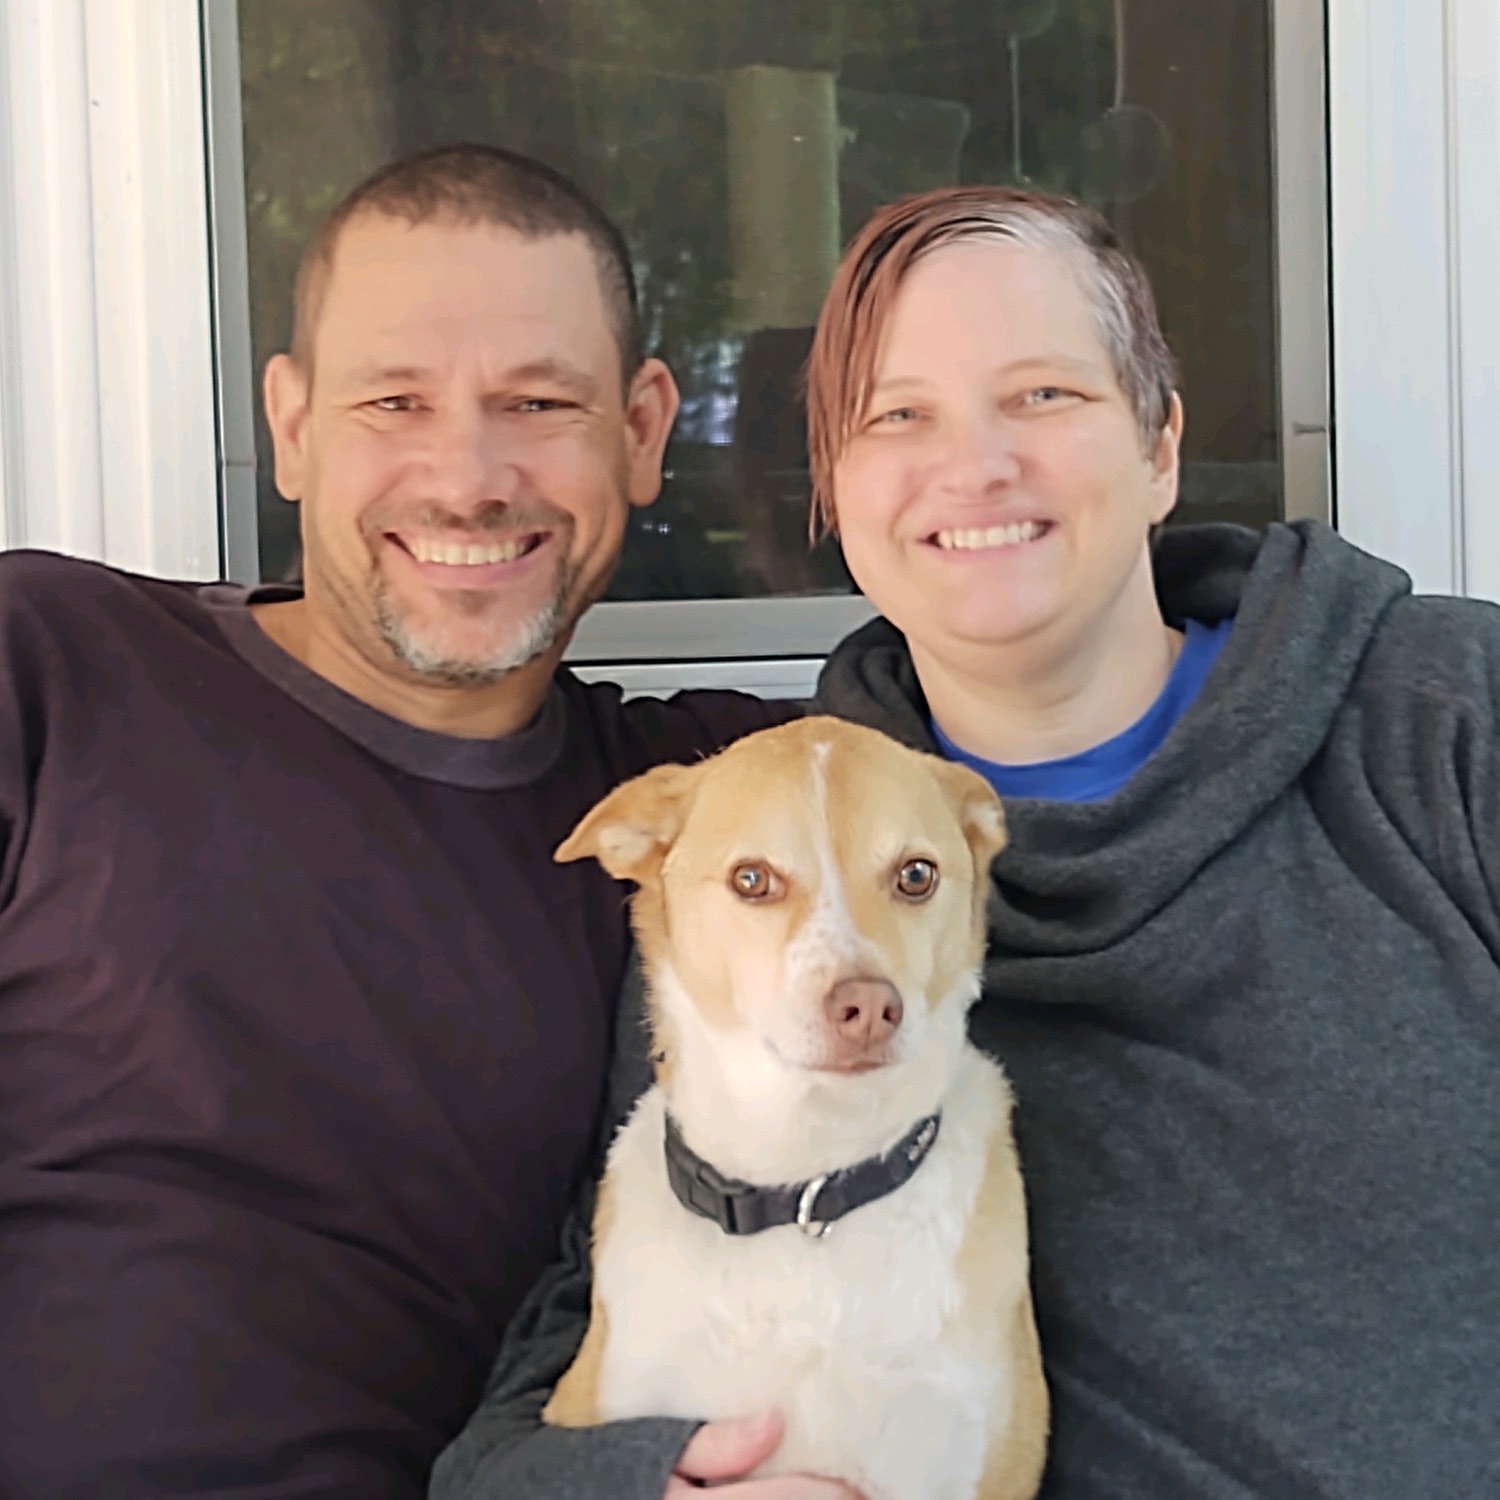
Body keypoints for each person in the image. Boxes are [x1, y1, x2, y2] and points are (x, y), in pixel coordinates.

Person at [434, 185, 1500, 1499]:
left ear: (1160, 445)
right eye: (898, 416)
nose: (976, 465)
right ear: (834, 488)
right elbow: (568, 1354)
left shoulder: (1443, 716)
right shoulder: (755, 851)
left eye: (1043, 395)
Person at [0, 142, 809, 1499]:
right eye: (394, 400)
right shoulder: (54, 670)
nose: (468, 478)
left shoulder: (706, 813)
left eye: (537, 401)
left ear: (646, 429)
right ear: (295, 426)